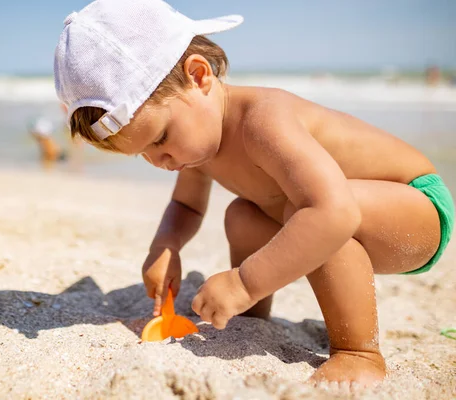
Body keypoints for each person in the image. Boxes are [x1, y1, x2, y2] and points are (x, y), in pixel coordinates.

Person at [53, 0, 455, 387]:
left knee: (319, 211)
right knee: (241, 216)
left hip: (415, 207)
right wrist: (166, 247)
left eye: (160, 139)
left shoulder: (263, 120)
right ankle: (250, 318)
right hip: (336, 209)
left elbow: (334, 213)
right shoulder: (198, 148)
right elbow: (185, 205)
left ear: (199, 76)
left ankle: (358, 353)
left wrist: (245, 281)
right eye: (142, 153)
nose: (159, 160)